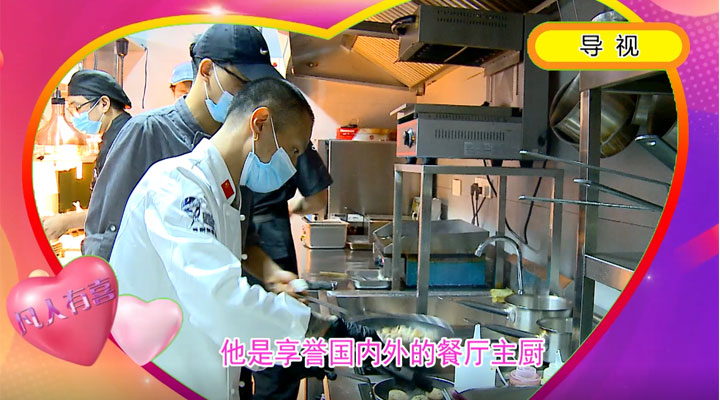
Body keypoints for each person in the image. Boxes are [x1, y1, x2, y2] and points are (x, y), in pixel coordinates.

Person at [108, 78, 379, 400]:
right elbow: (220, 301)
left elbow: (222, 317)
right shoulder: (177, 187)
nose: (294, 167)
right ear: (260, 124)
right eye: (294, 150)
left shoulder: (225, 194)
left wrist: (290, 352)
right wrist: (321, 329)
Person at [82, 24, 303, 398]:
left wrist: (270, 273)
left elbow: (236, 236)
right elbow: (104, 238)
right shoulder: (148, 135)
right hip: (155, 346)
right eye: (243, 83)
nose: (251, 97)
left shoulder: (239, 148)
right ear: (206, 71)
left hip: (211, 346)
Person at [41, 70, 132, 240]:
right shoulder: (112, 138)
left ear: (104, 103)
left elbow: (116, 211)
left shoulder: (126, 140)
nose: (75, 116)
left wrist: (66, 222)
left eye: (77, 107)